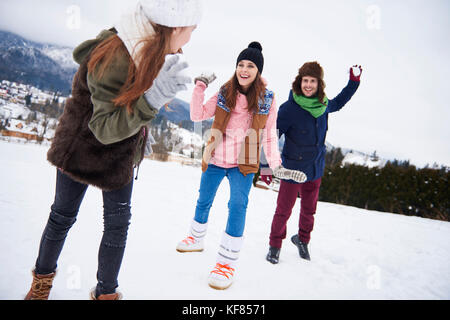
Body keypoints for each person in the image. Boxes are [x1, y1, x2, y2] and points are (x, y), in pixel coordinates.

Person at [24, 0, 203, 300]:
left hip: (120, 151)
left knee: (117, 226)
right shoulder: (117, 55)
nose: (190, 38)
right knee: (62, 216)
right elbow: (105, 127)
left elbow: (129, 113)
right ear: (174, 27)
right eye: (191, 30)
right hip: (81, 147)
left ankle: (106, 293)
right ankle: (41, 285)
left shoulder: (152, 51)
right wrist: (153, 98)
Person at [175, 42, 307, 290]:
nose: (244, 69)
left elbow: (269, 136)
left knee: (237, 207)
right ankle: (196, 237)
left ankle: (226, 264)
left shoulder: (267, 99)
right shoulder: (226, 91)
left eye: (250, 66)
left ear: (258, 71)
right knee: (203, 200)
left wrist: (276, 167)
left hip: (243, 164)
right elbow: (197, 115)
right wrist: (200, 87)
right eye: (240, 64)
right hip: (215, 158)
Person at [264, 62, 362, 264]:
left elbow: (340, 101)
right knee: (283, 211)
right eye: (305, 80)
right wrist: (266, 167)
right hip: (292, 169)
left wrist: (354, 81)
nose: (308, 85)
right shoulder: (289, 109)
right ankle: (274, 246)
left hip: (315, 167)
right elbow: (271, 137)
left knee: (309, 210)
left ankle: (302, 240)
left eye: (313, 81)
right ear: (299, 82)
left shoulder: (324, 105)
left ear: (319, 84)